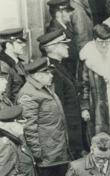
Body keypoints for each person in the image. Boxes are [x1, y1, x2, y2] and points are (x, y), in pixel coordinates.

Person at [17, 57, 71, 176]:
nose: (51, 76)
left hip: (56, 151)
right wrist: (38, 153)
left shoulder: (43, 89)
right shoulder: (29, 94)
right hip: (47, 156)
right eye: (48, 73)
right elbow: (29, 127)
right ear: (38, 75)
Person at [38, 29, 85, 160]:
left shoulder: (59, 66)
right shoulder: (51, 71)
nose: (67, 46)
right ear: (52, 48)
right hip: (66, 132)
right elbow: (57, 105)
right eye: (63, 44)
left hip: (72, 128)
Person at [79, 23, 110, 137]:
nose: (104, 45)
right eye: (100, 42)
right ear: (94, 40)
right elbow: (82, 85)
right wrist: (84, 108)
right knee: (100, 133)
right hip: (96, 101)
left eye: (107, 41)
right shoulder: (87, 58)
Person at [46, 0, 78, 77]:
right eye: (67, 11)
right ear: (58, 13)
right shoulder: (54, 31)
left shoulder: (64, 27)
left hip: (70, 72)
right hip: (65, 73)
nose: (71, 13)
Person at [0, 28, 27, 102]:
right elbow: (5, 98)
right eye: (19, 43)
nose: (24, 45)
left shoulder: (16, 61)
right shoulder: (3, 66)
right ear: (9, 45)